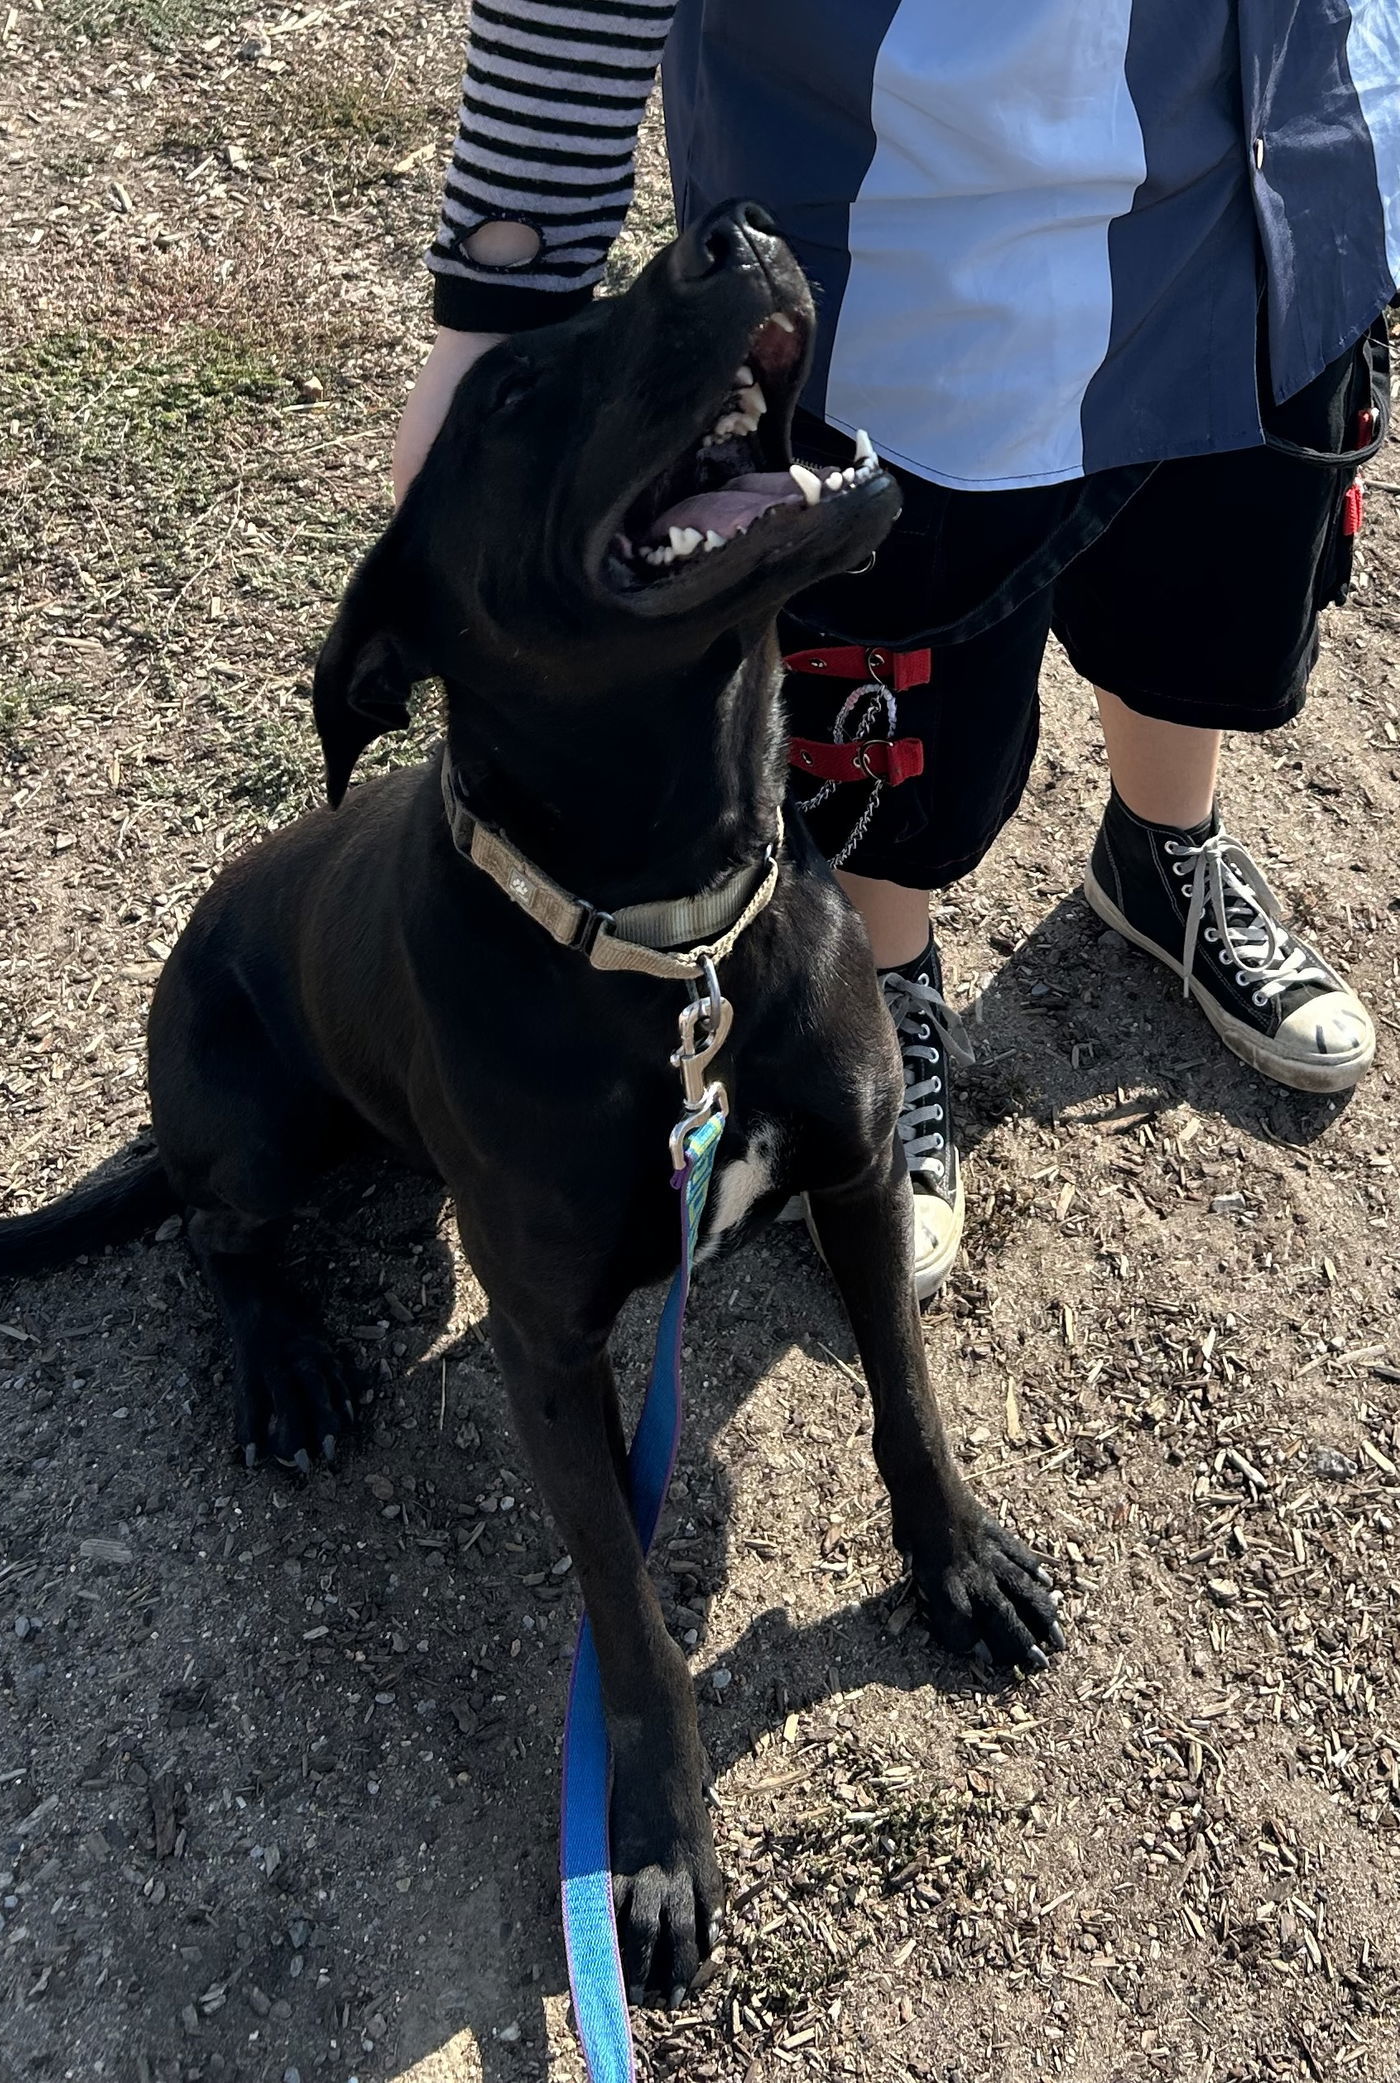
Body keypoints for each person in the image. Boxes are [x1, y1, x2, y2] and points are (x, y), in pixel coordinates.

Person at [393, 2, 1398, 1299]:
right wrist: (507, 291)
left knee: (1198, 586)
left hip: (1284, 159)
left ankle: (1161, 854)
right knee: (890, 675)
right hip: (909, 190)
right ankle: (879, 978)